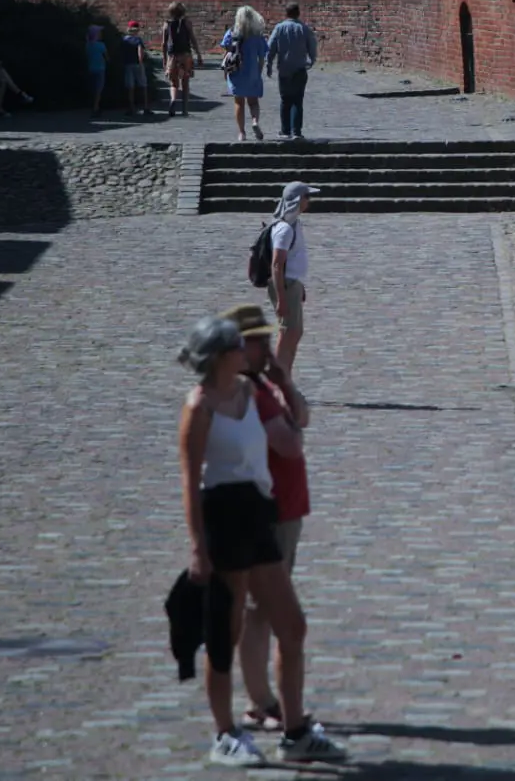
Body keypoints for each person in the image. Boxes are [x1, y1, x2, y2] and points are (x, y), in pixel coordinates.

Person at [177, 316, 346, 767]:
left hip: (259, 512)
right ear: (219, 357)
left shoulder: (250, 394)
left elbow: (294, 426)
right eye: (238, 346)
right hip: (224, 517)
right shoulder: (200, 407)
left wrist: (280, 381)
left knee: (291, 625)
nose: (248, 350)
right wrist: (198, 546)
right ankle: (225, 733)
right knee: (224, 633)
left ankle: (294, 732)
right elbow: (190, 482)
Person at [216, 305, 313, 735]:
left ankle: (267, 702)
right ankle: (263, 703)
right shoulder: (248, 394)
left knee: (264, 612)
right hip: (268, 509)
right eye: (254, 340)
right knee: (263, 613)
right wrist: (283, 401)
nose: (262, 346)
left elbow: (303, 416)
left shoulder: (261, 385)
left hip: (285, 507)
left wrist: (283, 379)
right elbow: (291, 442)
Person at [268, 182, 317, 375]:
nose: (309, 201)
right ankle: (276, 379)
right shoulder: (284, 229)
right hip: (285, 285)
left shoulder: (295, 224)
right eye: (307, 197)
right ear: (297, 200)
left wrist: (299, 285)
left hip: (292, 284)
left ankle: (284, 376)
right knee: (287, 331)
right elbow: (277, 264)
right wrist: (281, 298)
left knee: (294, 332)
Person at [265, 2, 317, 140]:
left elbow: (271, 47)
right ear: (298, 13)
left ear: (286, 13)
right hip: (300, 69)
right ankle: (296, 131)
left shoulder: (279, 28)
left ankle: (285, 130)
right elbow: (312, 45)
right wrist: (312, 59)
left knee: (285, 100)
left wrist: (268, 64)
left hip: (284, 69)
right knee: (297, 101)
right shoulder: (304, 29)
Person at [220, 6, 269, 142]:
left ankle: (241, 133)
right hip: (252, 71)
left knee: (238, 102)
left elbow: (227, 52)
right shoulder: (257, 37)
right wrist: (258, 72)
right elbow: (261, 58)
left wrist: (225, 70)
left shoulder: (231, 33)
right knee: (253, 102)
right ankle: (254, 121)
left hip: (236, 71)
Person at [162, 2, 198, 117]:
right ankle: (185, 110)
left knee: (173, 83)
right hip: (185, 55)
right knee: (185, 82)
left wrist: (164, 58)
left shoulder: (166, 24)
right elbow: (192, 39)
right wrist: (199, 54)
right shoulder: (186, 23)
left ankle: (173, 100)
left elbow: (164, 43)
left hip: (172, 55)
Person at [121, 20, 152, 117]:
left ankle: (131, 108)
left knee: (130, 87)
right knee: (143, 85)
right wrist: (141, 62)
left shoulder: (124, 40)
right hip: (137, 64)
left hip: (128, 64)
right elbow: (140, 53)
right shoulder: (138, 40)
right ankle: (146, 107)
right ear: (137, 30)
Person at [85, 25, 108, 116]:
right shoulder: (101, 45)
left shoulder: (88, 45)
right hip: (100, 68)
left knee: (92, 88)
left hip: (90, 68)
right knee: (99, 89)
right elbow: (106, 57)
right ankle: (96, 107)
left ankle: (92, 106)